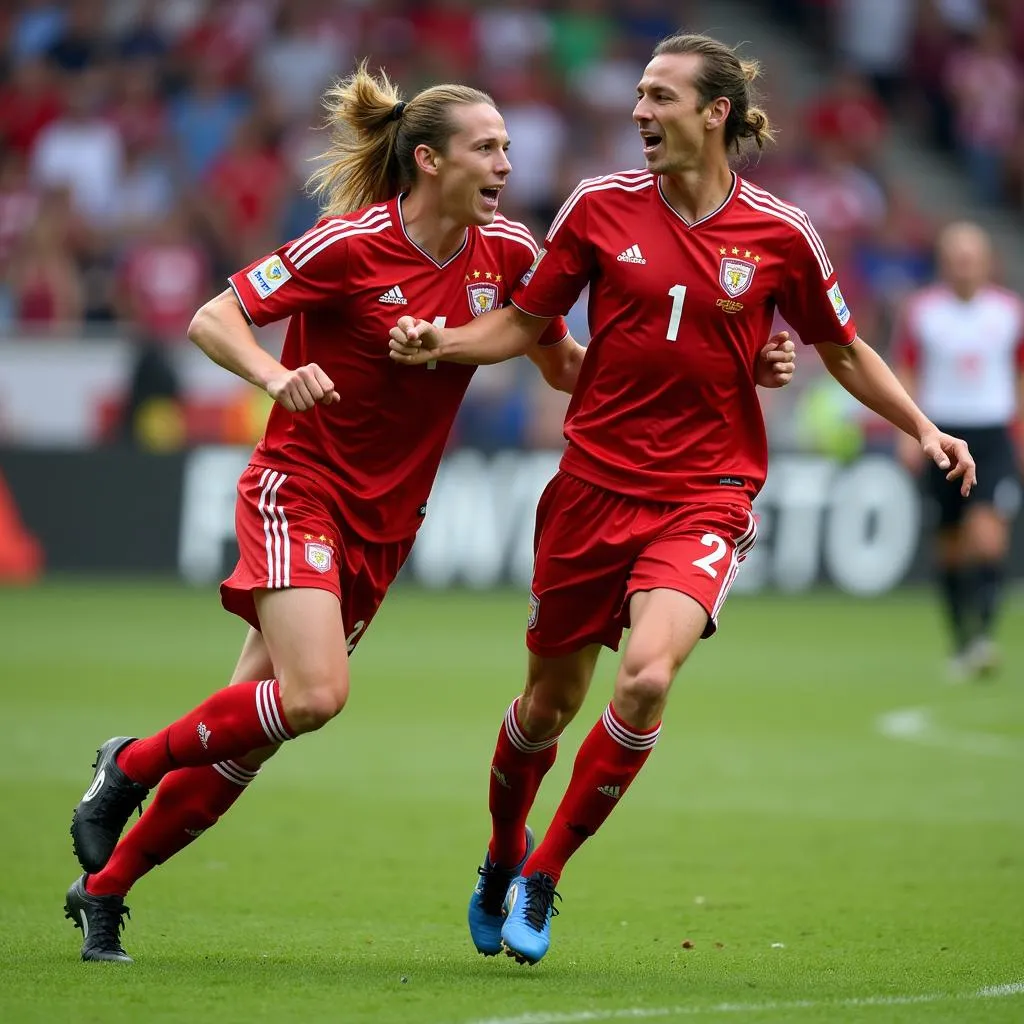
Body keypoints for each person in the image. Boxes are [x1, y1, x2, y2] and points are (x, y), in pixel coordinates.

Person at [62, 58, 795, 965]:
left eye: (509, 148)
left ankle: (104, 889)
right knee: (317, 695)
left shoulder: (511, 256)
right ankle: (127, 762)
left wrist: (734, 364)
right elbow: (215, 317)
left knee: (252, 731)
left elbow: (566, 367)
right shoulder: (350, 243)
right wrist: (276, 374)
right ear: (428, 161)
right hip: (303, 488)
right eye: (487, 148)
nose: (505, 165)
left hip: (387, 521)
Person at [387, 32, 977, 966]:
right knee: (546, 706)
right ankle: (501, 852)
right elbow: (525, 326)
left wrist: (922, 427)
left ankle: (545, 870)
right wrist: (442, 342)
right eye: (638, 95)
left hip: (706, 492)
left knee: (649, 677)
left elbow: (844, 347)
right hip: (590, 487)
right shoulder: (595, 207)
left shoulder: (781, 233)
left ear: (715, 114)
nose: (638, 112)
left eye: (660, 96)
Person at [894, 221, 1023, 680]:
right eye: (955, 257)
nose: (964, 266)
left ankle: (984, 637)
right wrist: (908, 433)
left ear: (987, 262)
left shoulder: (1010, 312)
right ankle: (961, 640)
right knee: (949, 546)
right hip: (941, 434)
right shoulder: (924, 312)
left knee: (988, 538)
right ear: (943, 263)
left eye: (971, 257)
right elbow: (906, 371)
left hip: (992, 433)